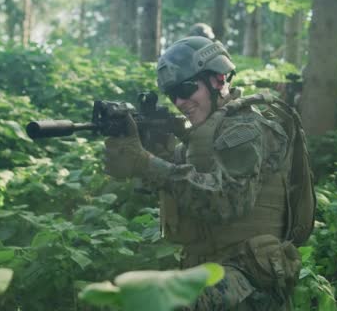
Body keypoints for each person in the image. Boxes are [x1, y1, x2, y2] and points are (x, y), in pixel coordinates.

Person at [104, 36, 301, 310]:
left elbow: (229, 201)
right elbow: (174, 190)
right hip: (212, 270)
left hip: (251, 278)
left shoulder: (245, 129)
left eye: (186, 88)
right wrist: (152, 151)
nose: (180, 101)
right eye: (173, 94)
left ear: (219, 79)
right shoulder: (199, 139)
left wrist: (146, 163)